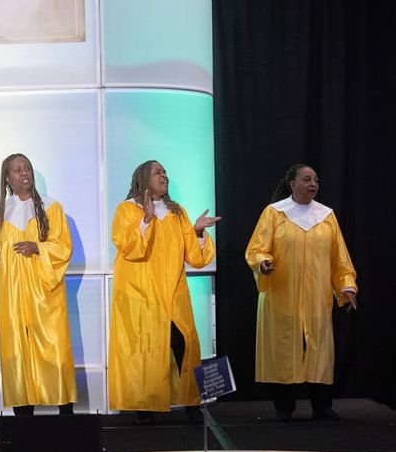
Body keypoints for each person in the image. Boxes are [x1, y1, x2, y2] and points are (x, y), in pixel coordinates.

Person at [108, 160, 220, 424]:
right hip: (140, 292)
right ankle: (144, 407)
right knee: (143, 348)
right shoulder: (127, 209)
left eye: (165, 172)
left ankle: (191, 401)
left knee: (185, 342)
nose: (164, 176)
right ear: (143, 179)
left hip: (172, 290)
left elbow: (195, 257)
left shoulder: (177, 212)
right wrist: (146, 219)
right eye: (157, 172)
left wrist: (198, 231)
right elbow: (128, 247)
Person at [245, 164, 357, 421]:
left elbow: (339, 258)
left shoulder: (326, 216)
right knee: (281, 348)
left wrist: (347, 286)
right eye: (306, 179)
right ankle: (284, 407)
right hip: (281, 295)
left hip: (317, 296)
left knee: (319, 350)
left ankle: (322, 406)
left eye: (316, 179)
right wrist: (263, 263)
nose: (313, 184)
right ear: (292, 183)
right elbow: (256, 249)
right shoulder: (275, 213)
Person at [0, 153, 76, 415]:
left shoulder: (51, 207)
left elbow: (63, 247)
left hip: (44, 292)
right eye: (17, 170)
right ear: (7, 179)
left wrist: (37, 247)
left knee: (53, 349)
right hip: (12, 294)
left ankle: (65, 415)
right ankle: (23, 418)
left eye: (27, 168)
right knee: (16, 350)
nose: (24, 173)